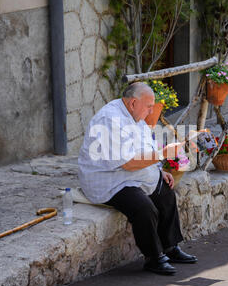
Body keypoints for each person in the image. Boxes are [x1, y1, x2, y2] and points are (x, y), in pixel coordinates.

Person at [78, 82, 197, 275]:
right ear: (133, 102)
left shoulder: (134, 115)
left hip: (130, 173)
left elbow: (145, 146)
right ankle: (153, 258)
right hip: (108, 178)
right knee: (143, 207)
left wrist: (159, 169)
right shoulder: (110, 120)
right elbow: (127, 163)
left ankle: (170, 247)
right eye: (149, 106)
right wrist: (162, 155)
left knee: (165, 191)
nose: (152, 111)